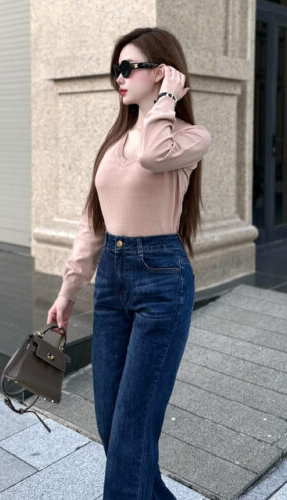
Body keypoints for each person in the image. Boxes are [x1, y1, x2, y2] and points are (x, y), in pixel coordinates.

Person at [47, 27, 211, 500]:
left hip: (162, 282)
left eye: (127, 68)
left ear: (162, 71)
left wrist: (167, 99)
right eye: (114, 70)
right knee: (113, 426)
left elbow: (154, 155)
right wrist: (68, 290)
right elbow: (93, 222)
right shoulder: (115, 142)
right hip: (111, 282)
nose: (118, 78)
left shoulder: (189, 137)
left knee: (132, 429)